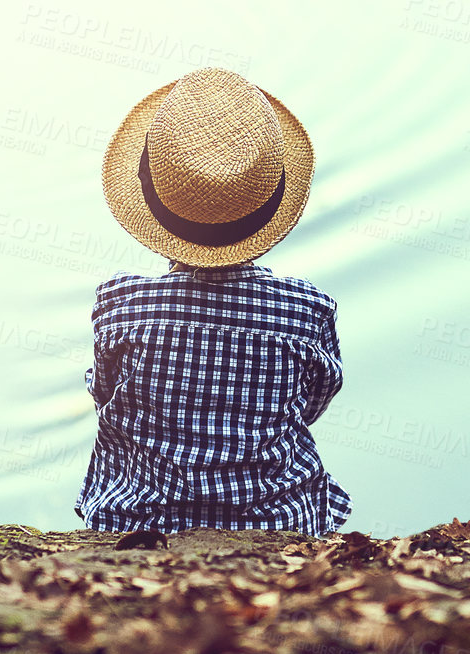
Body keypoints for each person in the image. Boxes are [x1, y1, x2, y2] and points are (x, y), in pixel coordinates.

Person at [73, 67, 351, 536]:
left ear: (152, 200)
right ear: (269, 207)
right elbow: (312, 402)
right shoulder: (308, 311)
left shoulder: (120, 303)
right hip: (278, 523)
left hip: (139, 521)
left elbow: (105, 395)